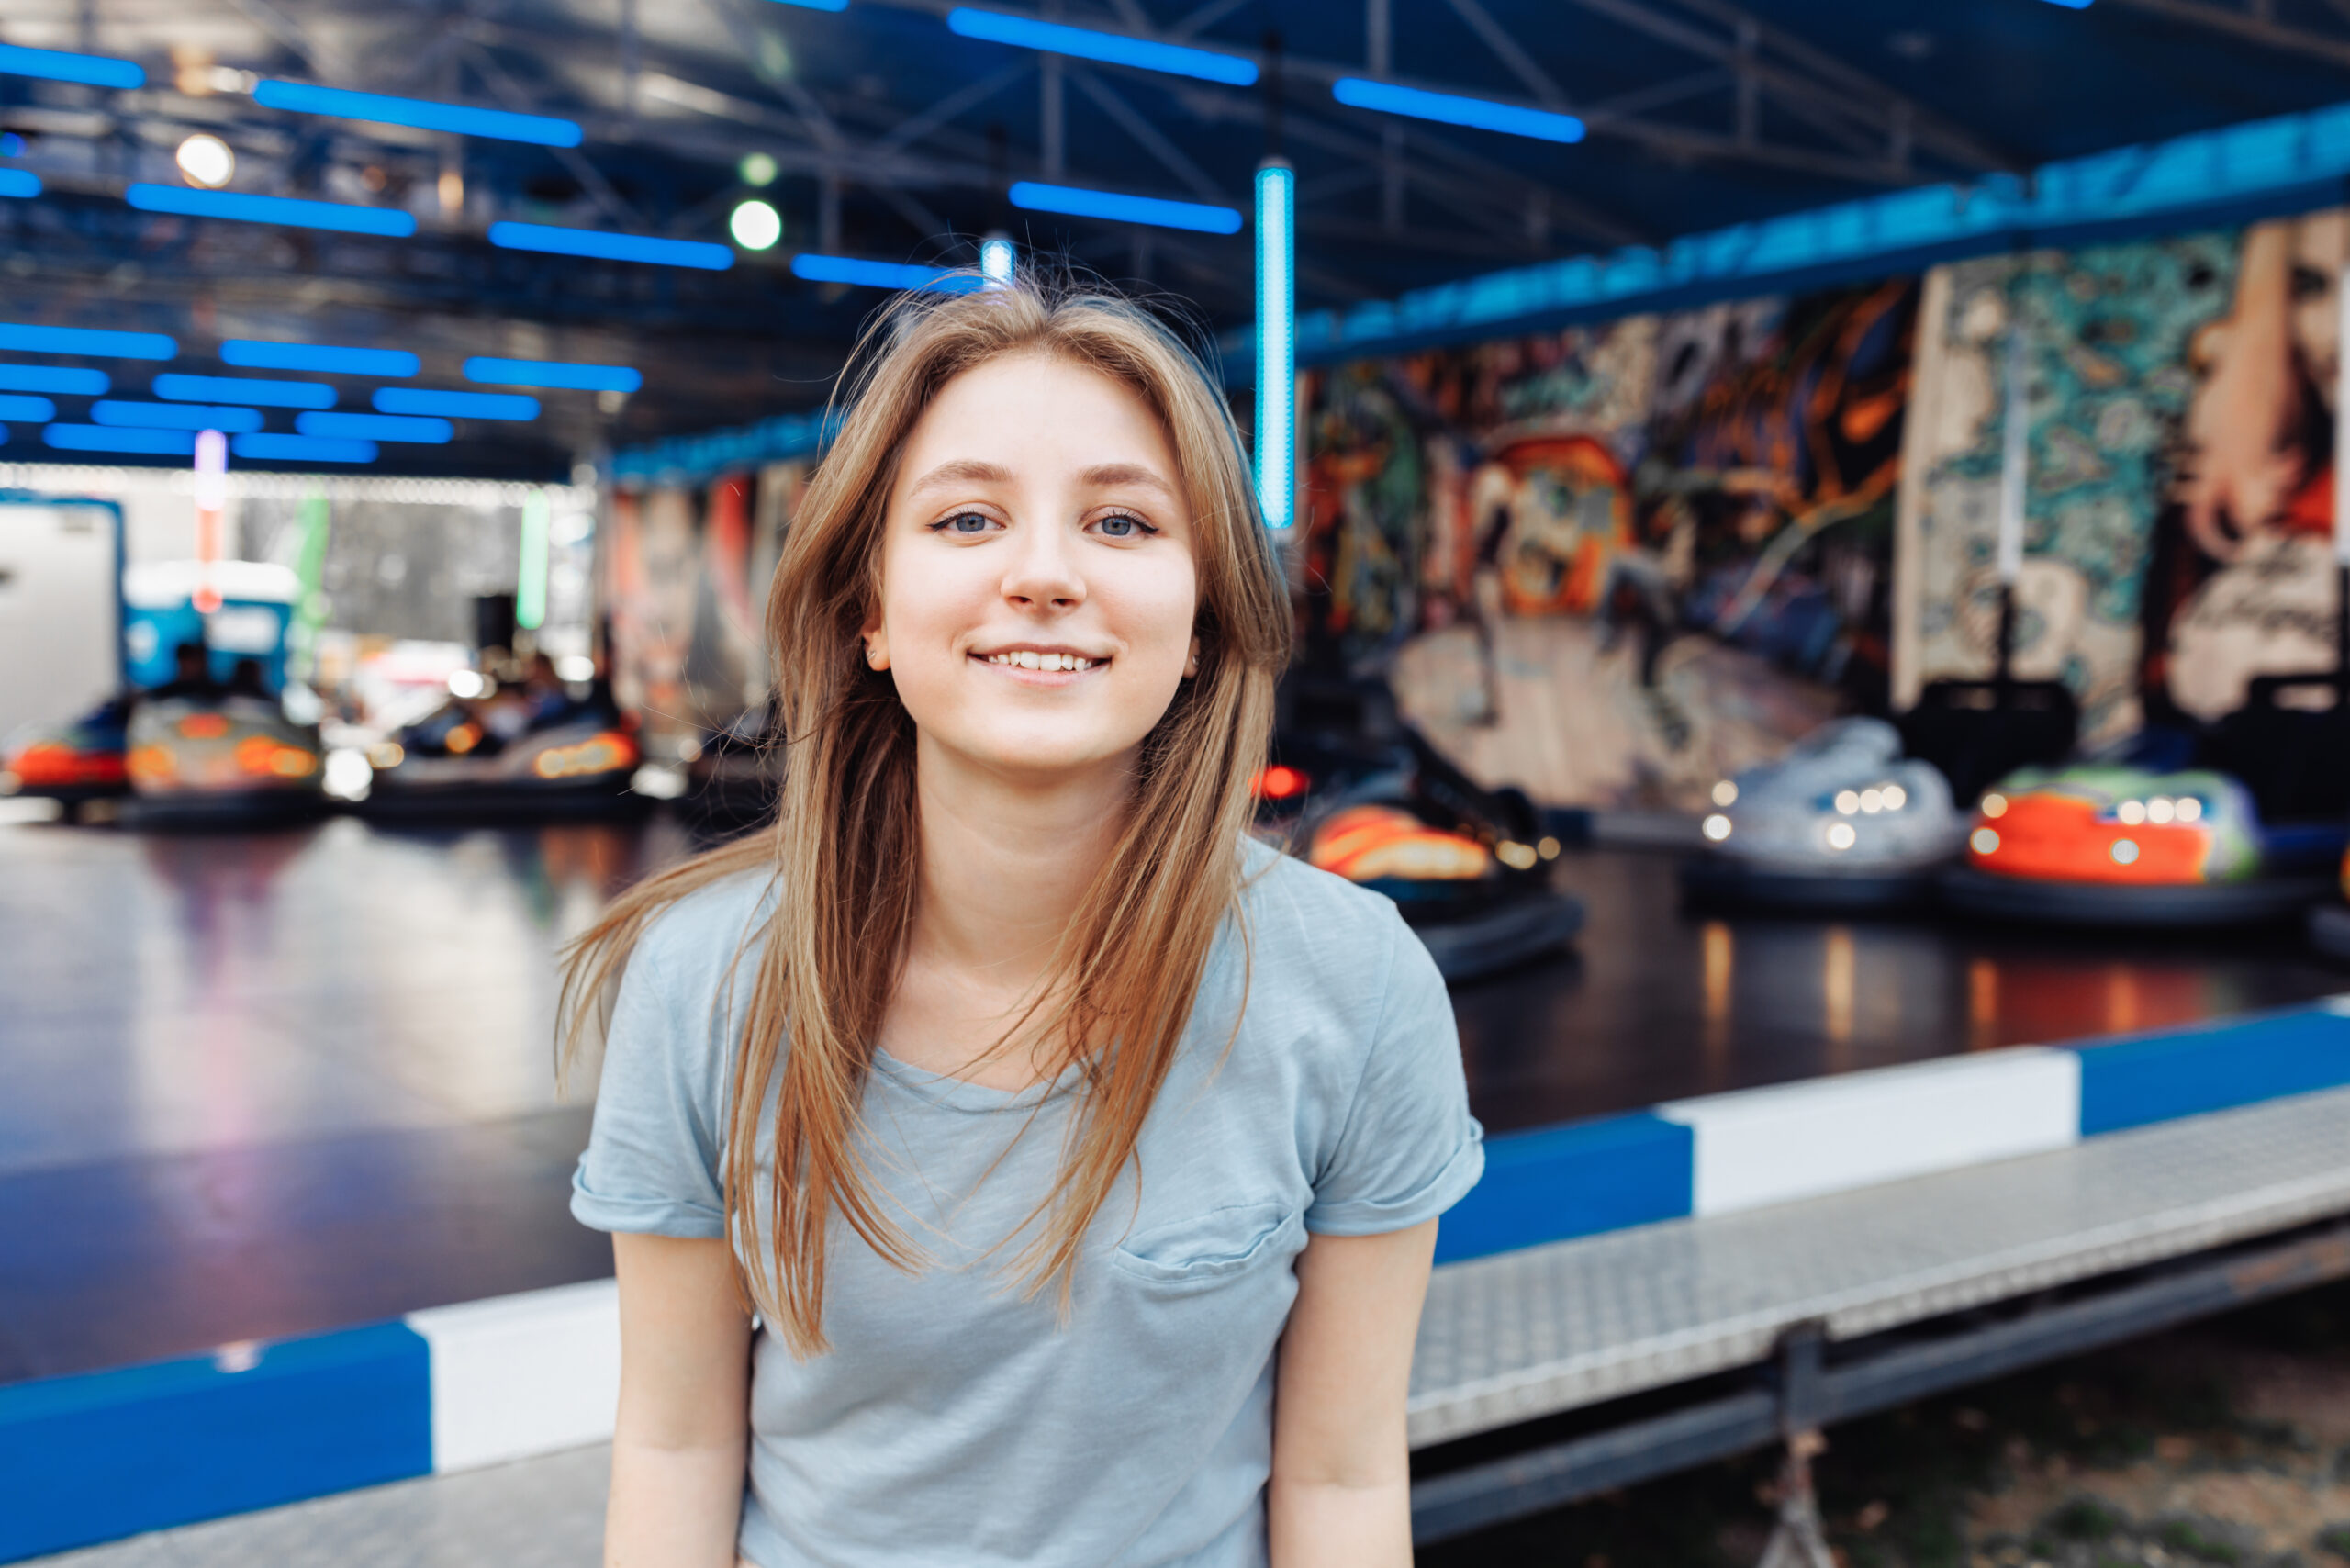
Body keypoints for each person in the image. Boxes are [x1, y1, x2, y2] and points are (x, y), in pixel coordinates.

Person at [562, 275, 1484, 1568]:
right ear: (872, 609)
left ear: (1205, 613)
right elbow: (674, 1448)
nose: (1043, 574)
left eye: (1118, 520)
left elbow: (1335, 1477)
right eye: (968, 517)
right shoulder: (708, 979)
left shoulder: (1354, 983)